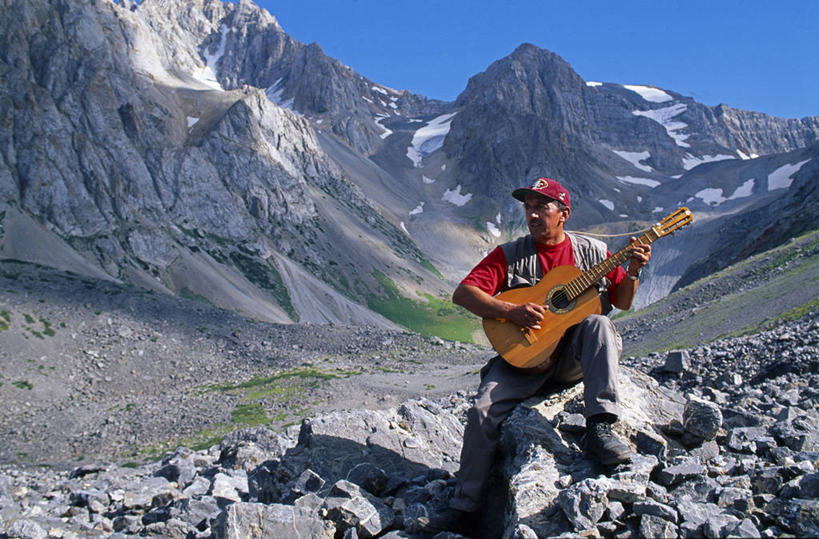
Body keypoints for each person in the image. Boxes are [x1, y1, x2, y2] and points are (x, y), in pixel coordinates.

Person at [427, 177, 651, 534]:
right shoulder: (510, 254)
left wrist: (634, 270)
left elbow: (621, 302)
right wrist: (509, 311)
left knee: (599, 325)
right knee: (482, 409)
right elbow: (464, 294)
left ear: (563, 213)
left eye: (540, 207)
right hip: (525, 359)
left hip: (573, 360)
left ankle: (600, 427)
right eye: (528, 207)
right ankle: (465, 508)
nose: (531, 214)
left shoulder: (592, 252)